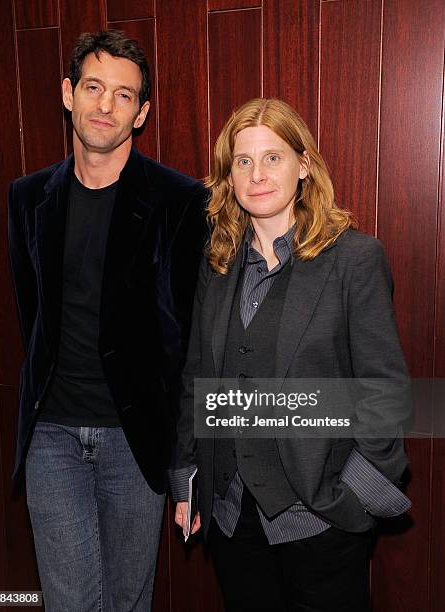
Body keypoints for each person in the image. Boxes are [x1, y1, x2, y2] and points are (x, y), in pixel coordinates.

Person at [170, 98, 412, 612]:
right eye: (243, 161)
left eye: (273, 157)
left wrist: (355, 496)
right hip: (231, 517)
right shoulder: (216, 264)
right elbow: (197, 377)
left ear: (304, 165)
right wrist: (189, 477)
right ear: (228, 175)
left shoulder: (353, 260)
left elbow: (384, 392)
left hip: (321, 518)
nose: (258, 174)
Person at [8, 30, 206, 612]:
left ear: (142, 113)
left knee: (127, 601)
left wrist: (187, 461)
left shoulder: (178, 200)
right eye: (93, 87)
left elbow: (191, 337)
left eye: (124, 95)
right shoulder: (26, 198)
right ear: (68, 93)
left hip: (136, 439)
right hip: (52, 436)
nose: (105, 105)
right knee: (69, 602)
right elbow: (32, 315)